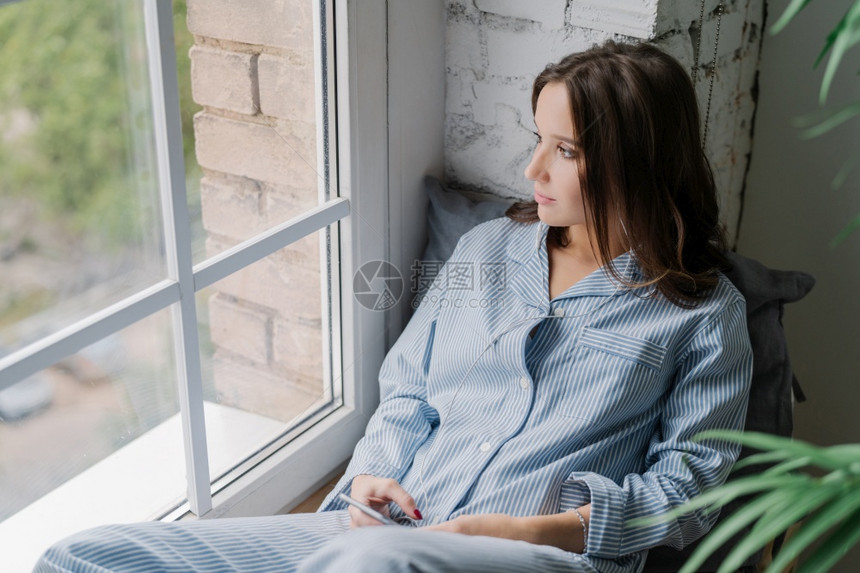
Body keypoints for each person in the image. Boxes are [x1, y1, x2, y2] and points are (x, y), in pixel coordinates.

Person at [35, 40, 752, 573]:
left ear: (637, 161)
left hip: (536, 556)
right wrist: (374, 472)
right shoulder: (486, 252)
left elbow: (687, 492)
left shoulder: (702, 313)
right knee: (85, 556)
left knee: (364, 569)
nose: (532, 168)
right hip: (386, 529)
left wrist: (518, 531)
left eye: (563, 149)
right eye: (538, 138)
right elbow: (409, 384)